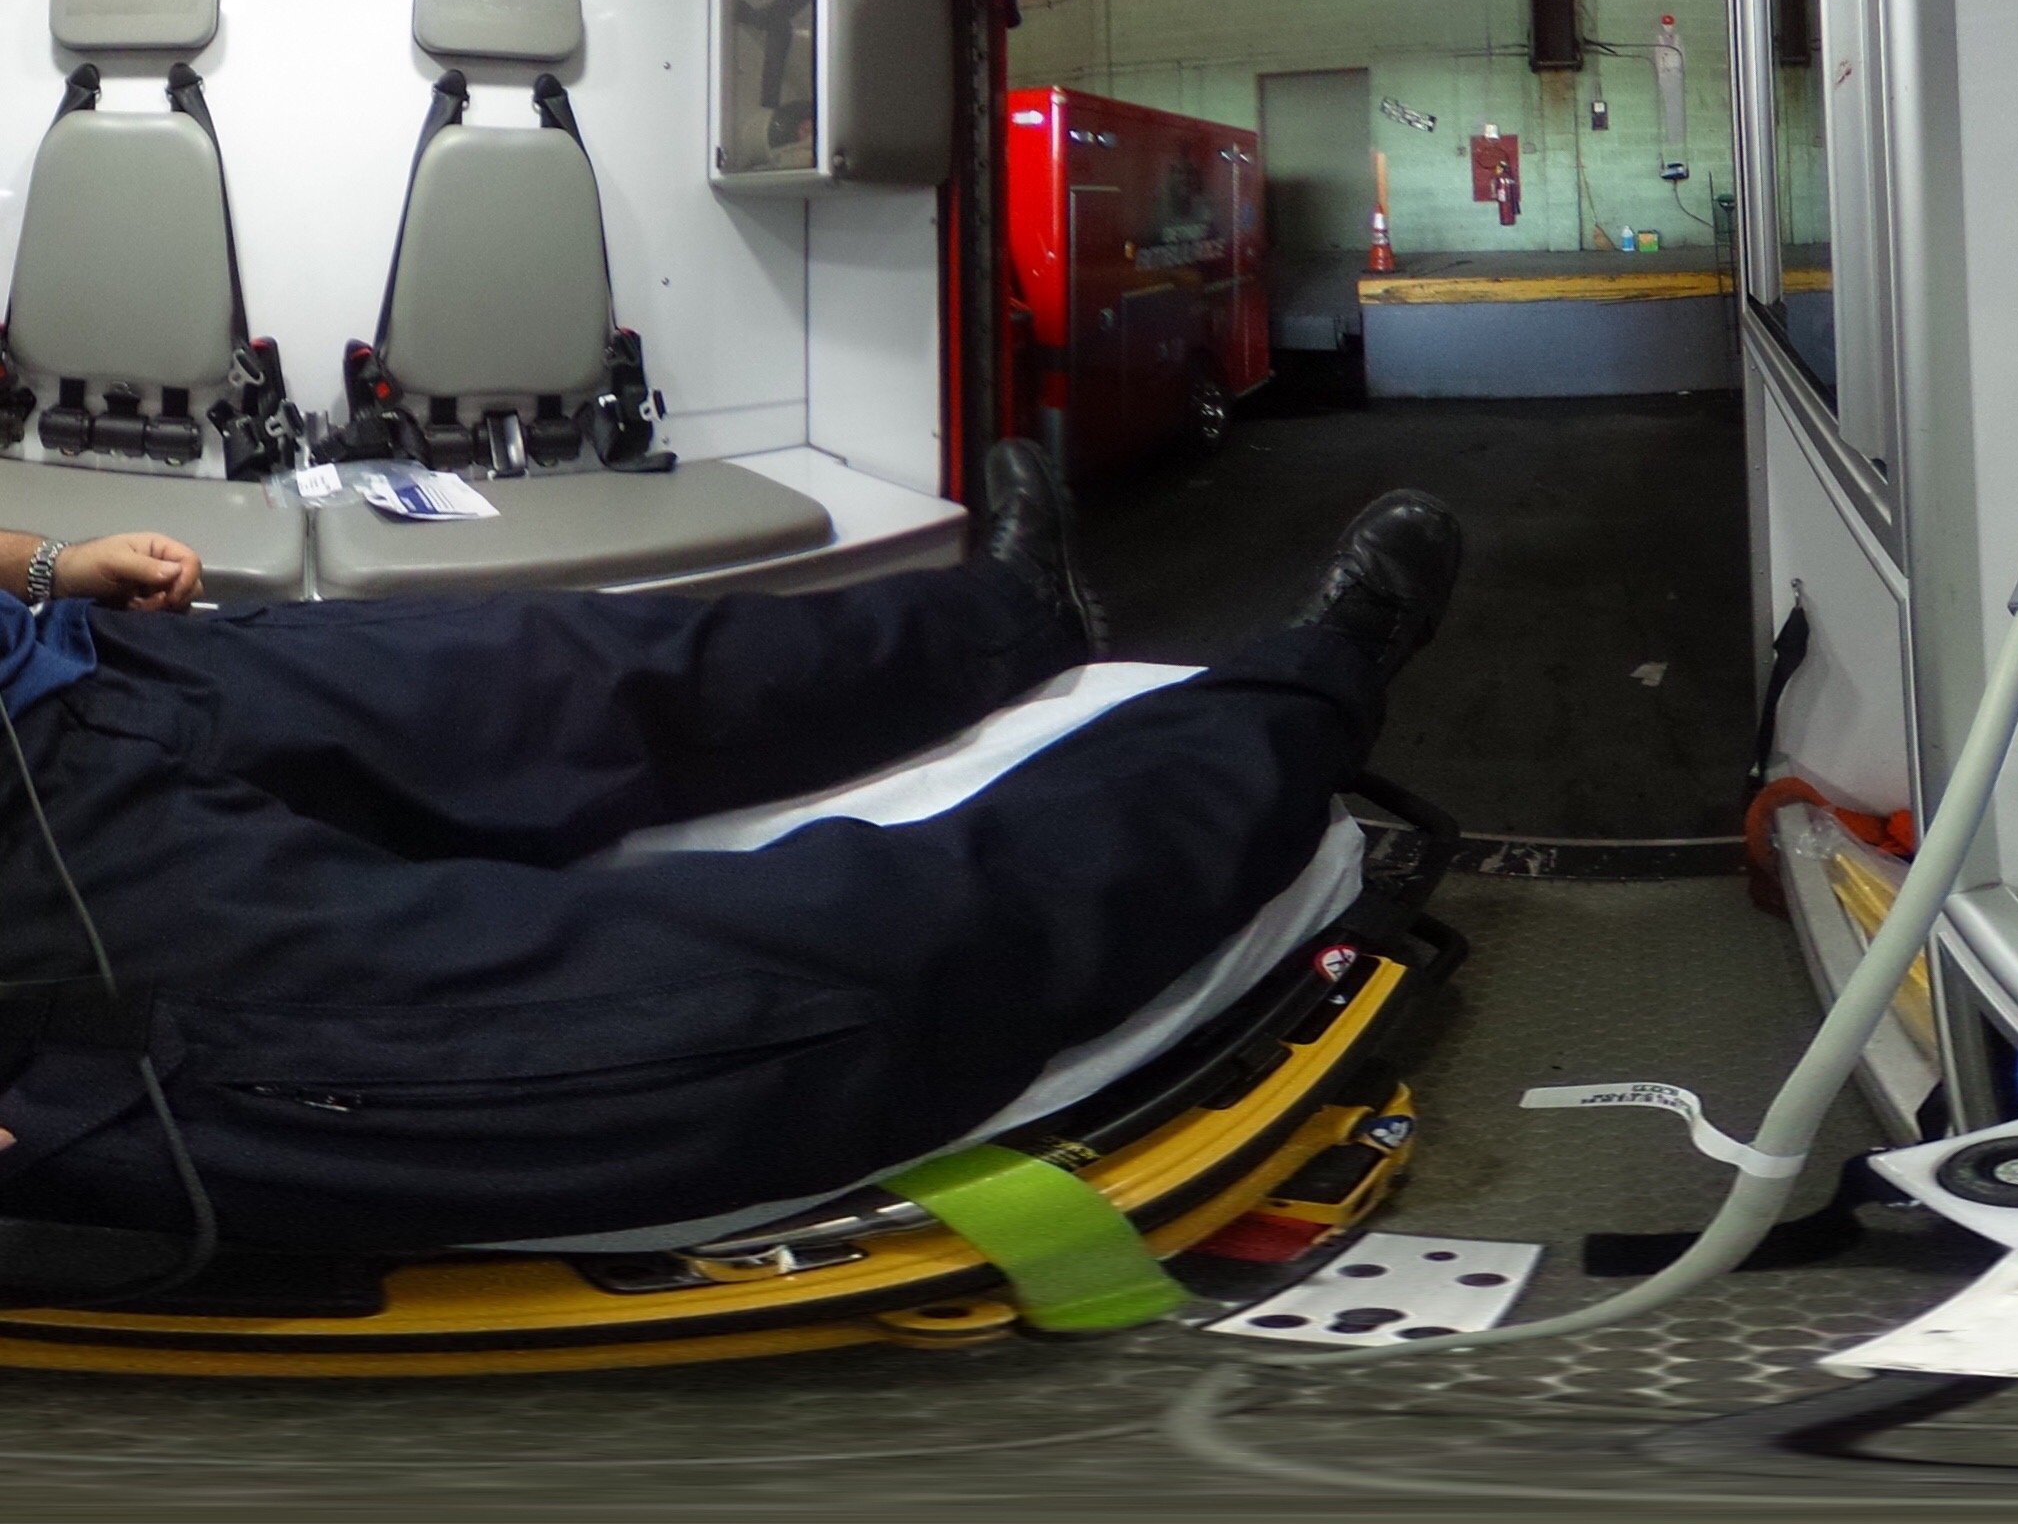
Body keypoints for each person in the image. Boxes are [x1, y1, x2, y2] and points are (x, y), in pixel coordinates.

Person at [0, 442, 1460, 1257]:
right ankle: (1295, 700)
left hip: (71, 677)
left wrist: (48, 567)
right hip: (42, 919)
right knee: (780, 997)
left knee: (583, 669)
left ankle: (1013, 620)